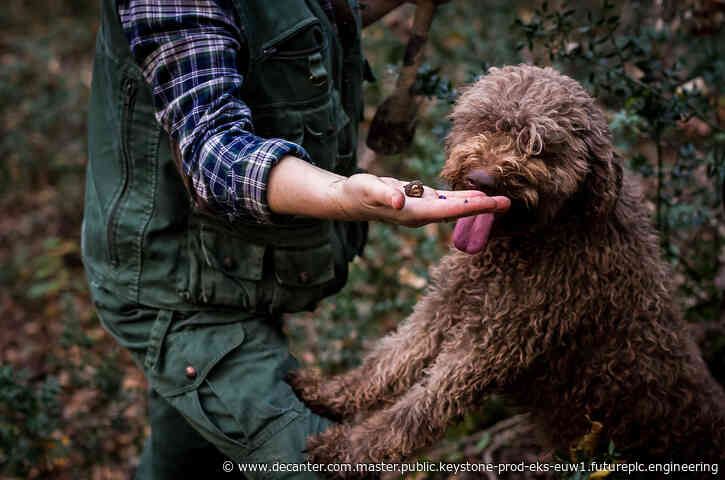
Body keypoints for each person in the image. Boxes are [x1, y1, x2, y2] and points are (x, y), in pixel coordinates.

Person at [81, 0, 509, 478]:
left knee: (187, 460)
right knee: (319, 463)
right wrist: (342, 194)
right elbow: (213, 153)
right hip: (176, 290)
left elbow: (308, 13)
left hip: (241, 269)